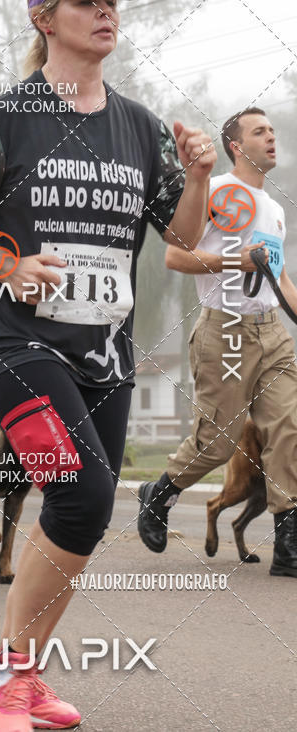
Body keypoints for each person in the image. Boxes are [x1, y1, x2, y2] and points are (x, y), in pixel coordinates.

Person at [0, 0, 216, 732]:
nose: (107, 12)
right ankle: (2, 683)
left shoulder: (140, 126)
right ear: (45, 17)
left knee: (81, 516)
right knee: (81, 494)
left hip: (104, 354)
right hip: (19, 346)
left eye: (114, 1)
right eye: (88, 1)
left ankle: (25, 675)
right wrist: (2, 264)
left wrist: (198, 177)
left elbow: (181, 237)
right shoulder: (8, 116)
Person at [137, 107, 297, 577]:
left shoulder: (275, 210)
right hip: (225, 329)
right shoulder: (215, 191)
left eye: (272, 130)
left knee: (288, 430)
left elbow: (282, 279)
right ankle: (159, 493)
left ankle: (288, 543)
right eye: (259, 132)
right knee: (219, 443)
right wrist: (235, 261)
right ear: (236, 146)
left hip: (273, 331)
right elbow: (175, 258)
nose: (271, 137)